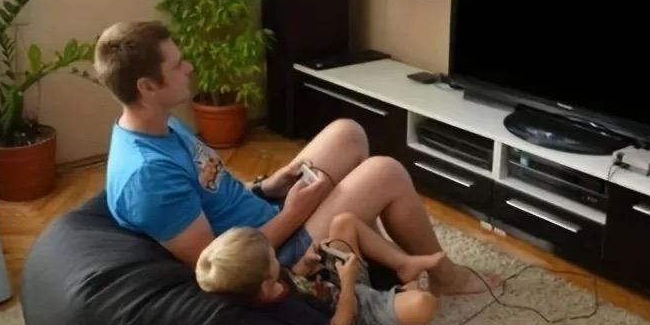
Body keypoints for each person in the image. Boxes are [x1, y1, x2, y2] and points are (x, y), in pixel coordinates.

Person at [95, 20, 494, 294]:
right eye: (177, 64)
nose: (189, 67)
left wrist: (270, 186)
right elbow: (222, 266)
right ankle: (445, 277)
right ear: (147, 87)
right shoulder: (148, 176)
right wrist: (294, 212)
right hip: (274, 255)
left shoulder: (162, 124)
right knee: (385, 172)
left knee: (348, 133)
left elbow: (214, 191)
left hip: (266, 215)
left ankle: (372, 257)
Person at [196, 213, 441, 325]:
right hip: (355, 311)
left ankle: (403, 264)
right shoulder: (288, 312)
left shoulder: (271, 280)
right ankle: (406, 289)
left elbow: (293, 275)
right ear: (266, 286)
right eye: (272, 258)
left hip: (337, 281)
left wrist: (305, 264)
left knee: (344, 221)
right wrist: (348, 284)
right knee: (422, 304)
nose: (276, 257)